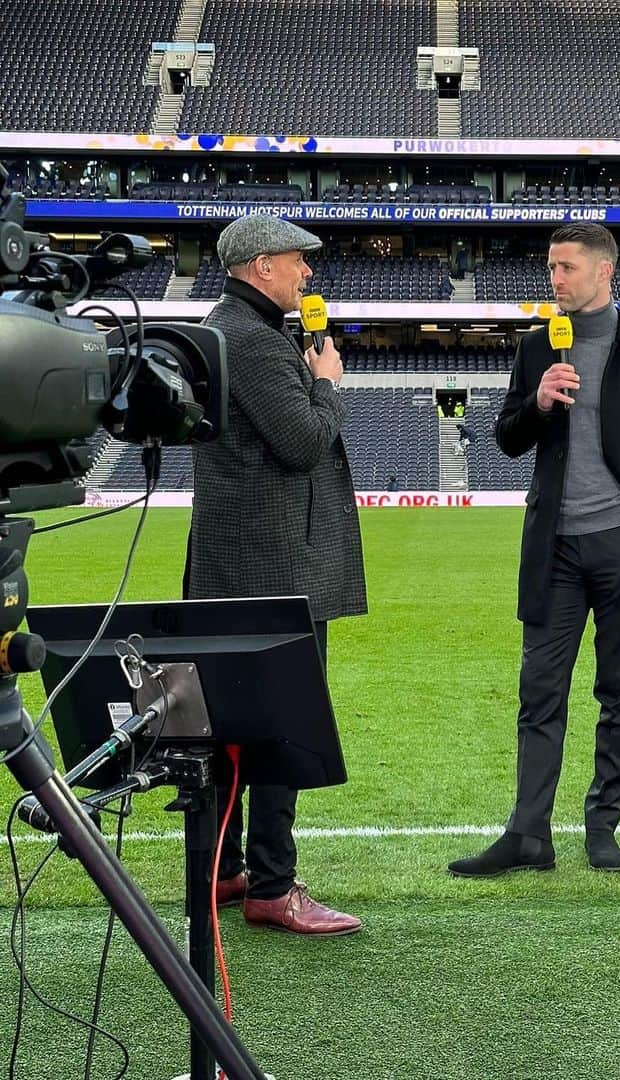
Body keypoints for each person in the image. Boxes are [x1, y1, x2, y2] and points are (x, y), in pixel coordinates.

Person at [448, 223, 620, 878]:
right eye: (551, 268)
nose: (555, 280)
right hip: (553, 548)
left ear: (604, 272)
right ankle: (529, 834)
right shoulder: (537, 349)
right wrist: (537, 401)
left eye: (567, 268)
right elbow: (505, 439)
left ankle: (602, 825)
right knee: (540, 692)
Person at [184, 213, 365, 935]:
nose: (308, 273)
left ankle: (222, 869)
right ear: (261, 266)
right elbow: (303, 442)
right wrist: (326, 383)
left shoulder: (225, 327)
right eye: (298, 261)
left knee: (228, 725)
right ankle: (273, 884)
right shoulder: (256, 342)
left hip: (236, 565)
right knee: (281, 725)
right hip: (274, 566)